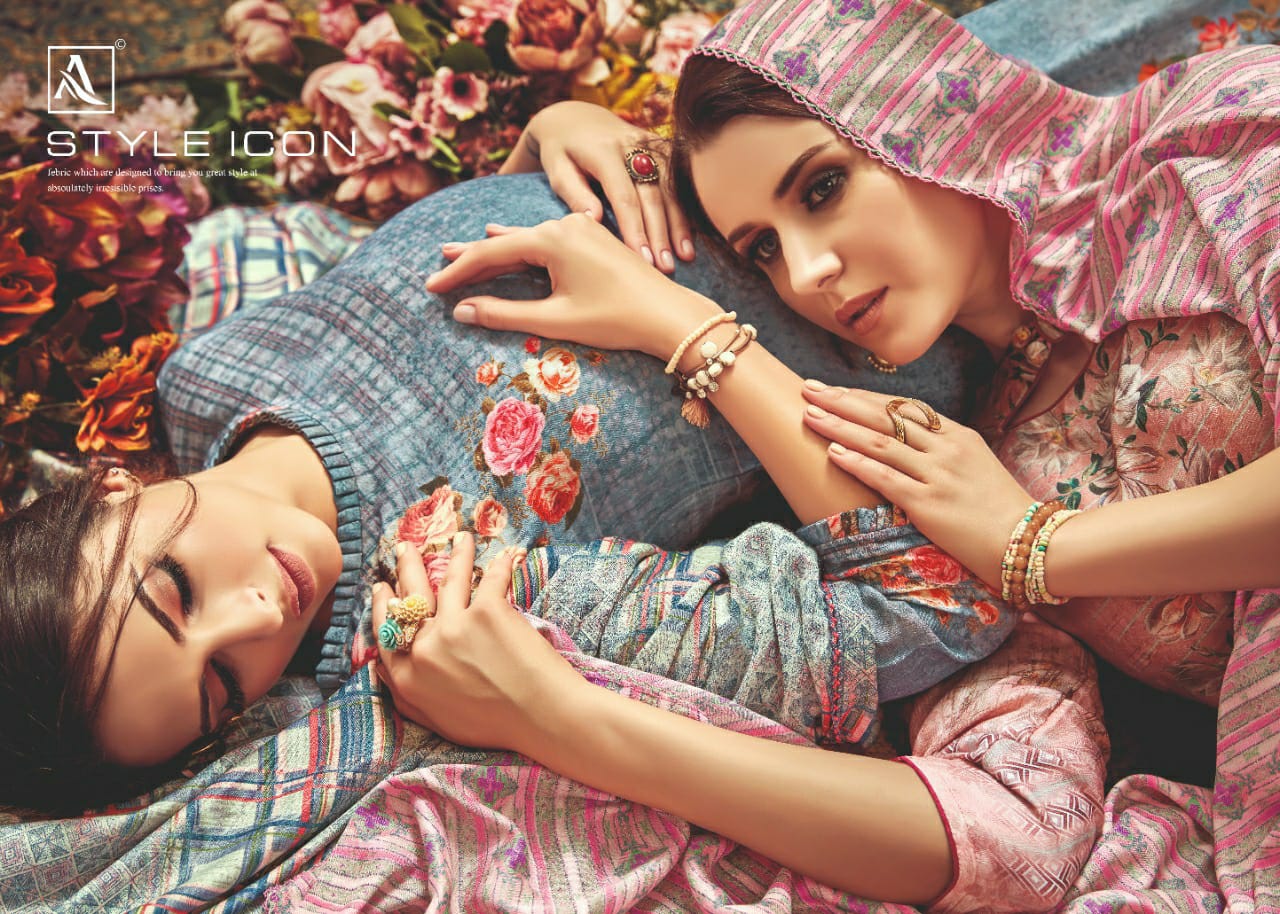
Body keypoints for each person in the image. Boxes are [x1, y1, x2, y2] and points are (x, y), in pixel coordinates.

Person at [412, 0, 1280, 909]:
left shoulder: (1209, 143)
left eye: (822, 188)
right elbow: (1010, 829)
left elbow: (1017, 545)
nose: (806, 274)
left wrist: (1036, 547)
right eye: (763, 250)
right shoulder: (960, 456)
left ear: (922, 114)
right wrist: (677, 316)